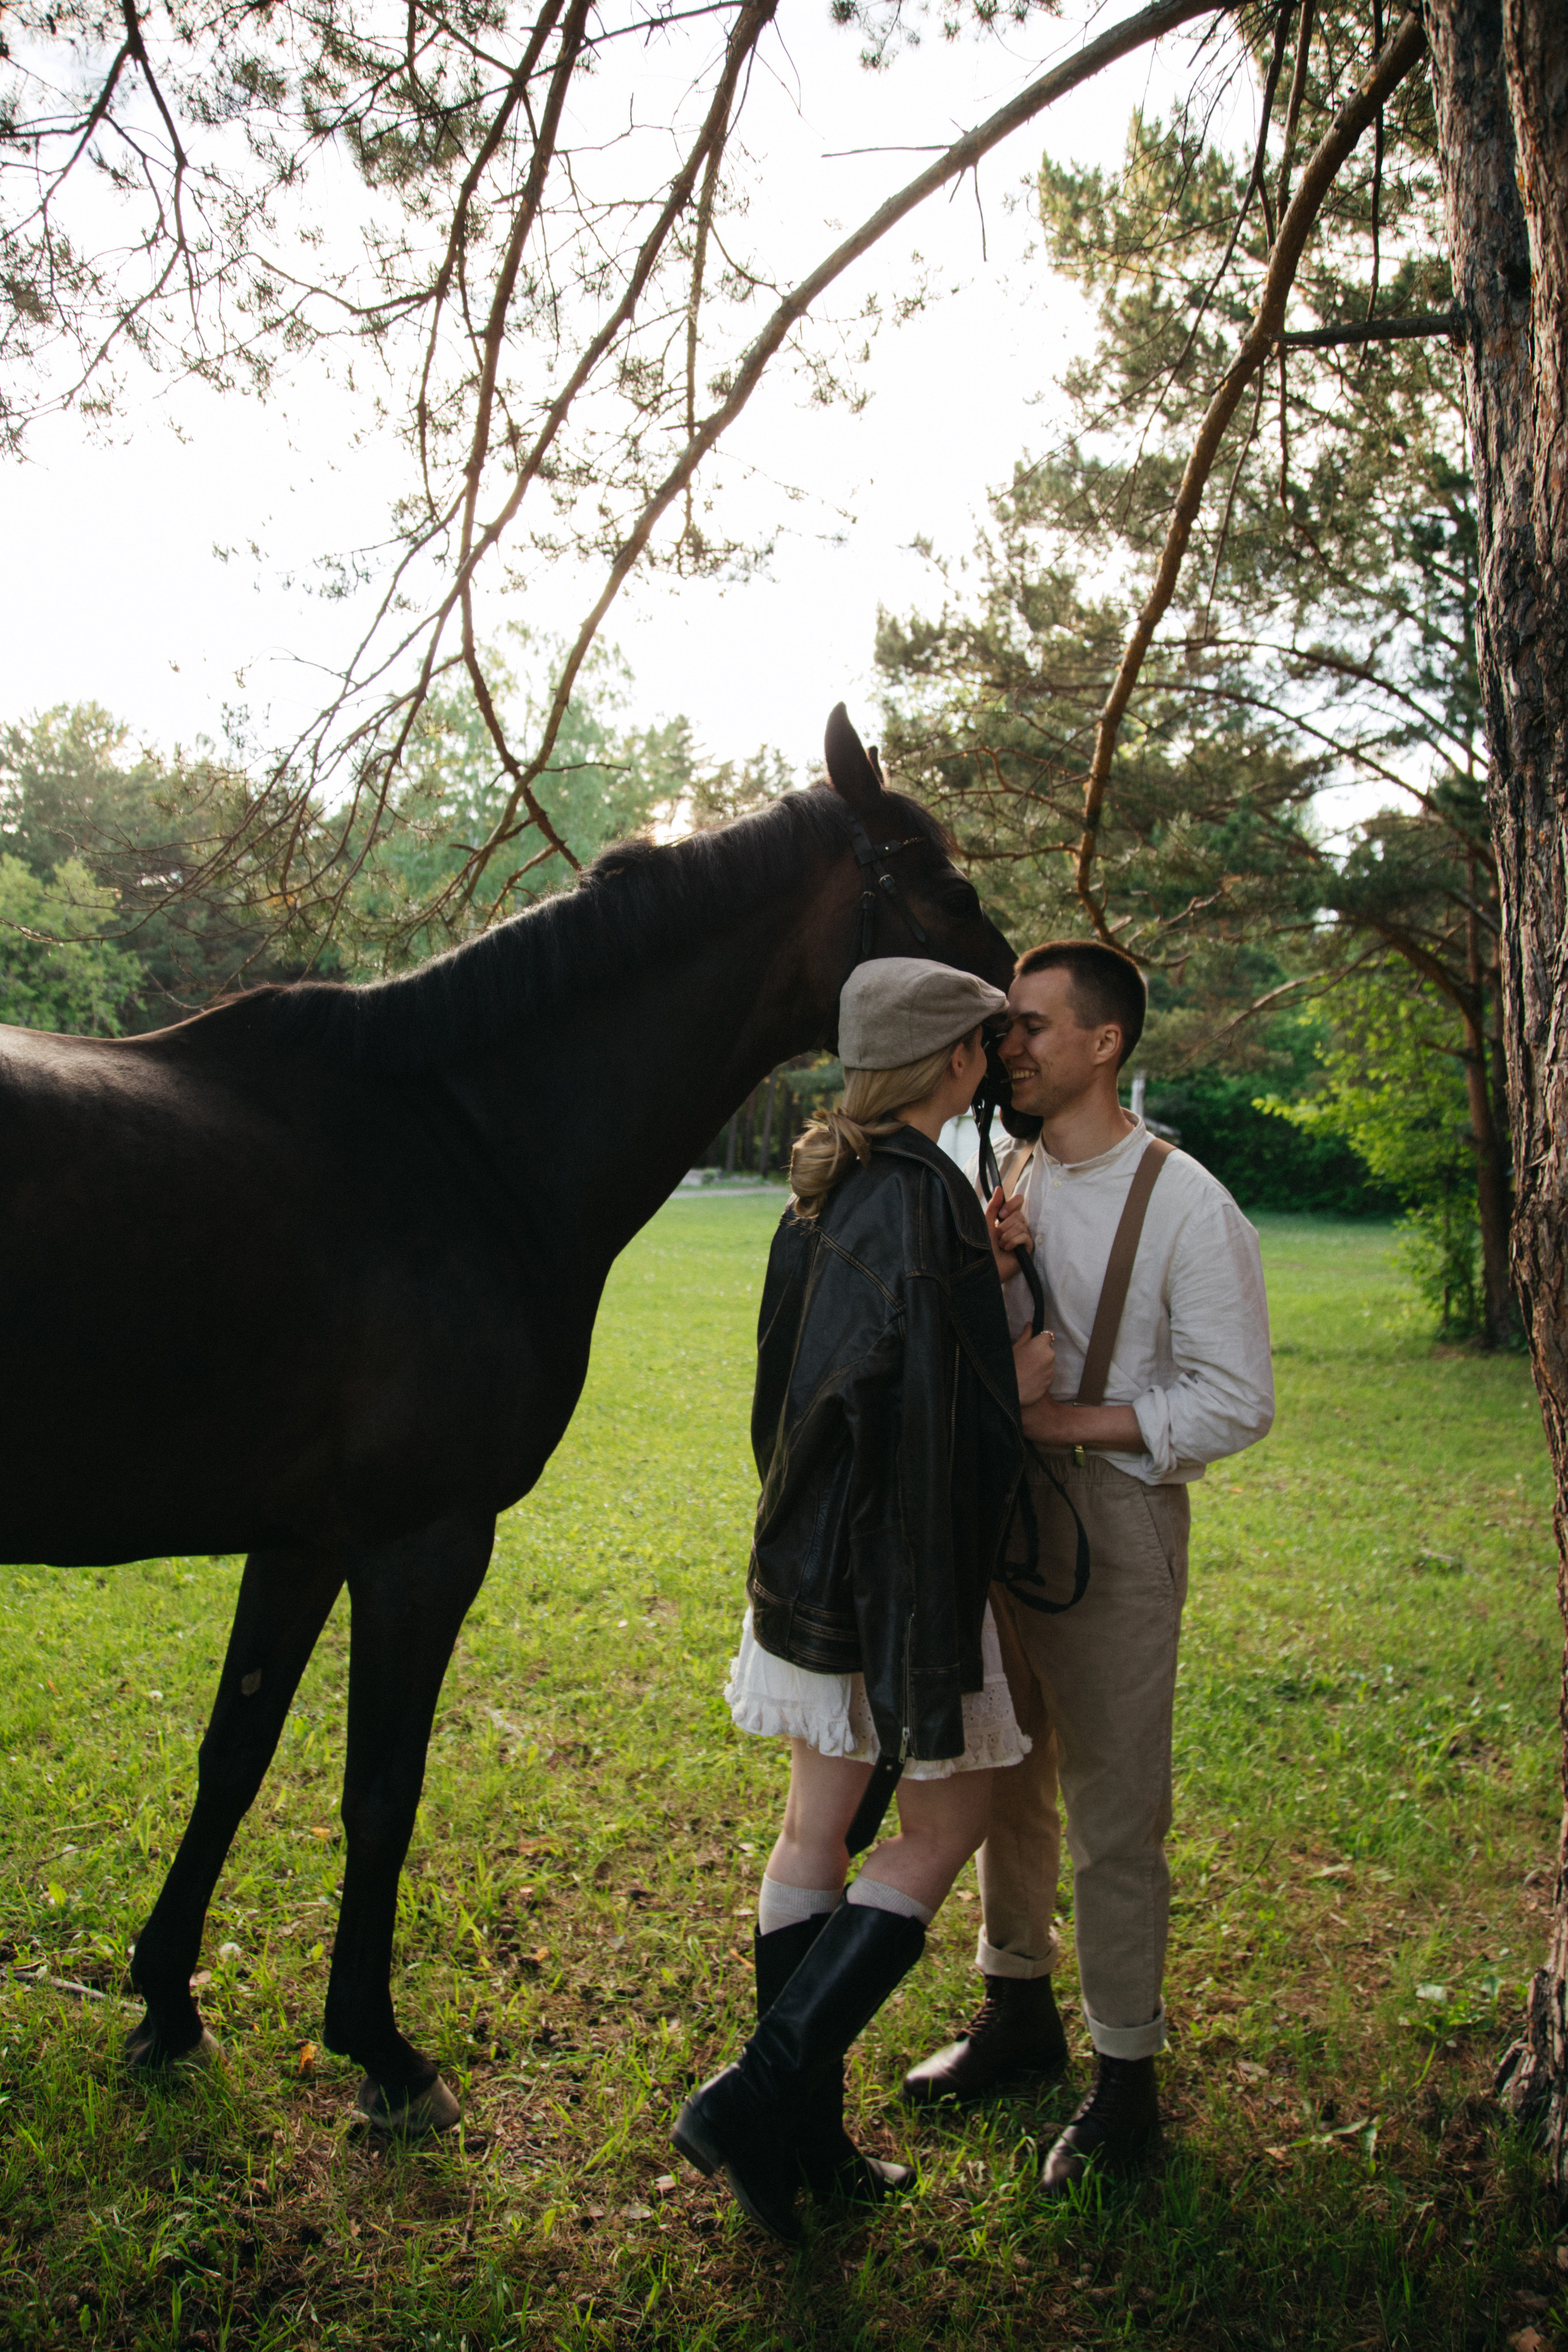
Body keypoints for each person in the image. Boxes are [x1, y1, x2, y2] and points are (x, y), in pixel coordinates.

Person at [671, 956, 1057, 2245]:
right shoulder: (926, 1195)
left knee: (813, 1832)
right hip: (897, 1571)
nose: (998, 1063)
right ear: (951, 1062)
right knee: (939, 1833)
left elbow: (814, 1382)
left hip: (807, 1556)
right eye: (986, 1046)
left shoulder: (823, 1186)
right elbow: (937, 1417)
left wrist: (982, 1280)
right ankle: (762, 2094)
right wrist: (1017, 1360)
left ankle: (800, 2145)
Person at [901, 939, 1274, 2192]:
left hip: (1117, 1527)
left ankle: (1125, 2081)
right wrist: (1001, 1274)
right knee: (1005, 1774)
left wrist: (1060, 1423)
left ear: (1102, 1044)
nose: (1007, 1048)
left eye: (1029, 1029)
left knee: (1117, 1815)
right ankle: (1016, 2010)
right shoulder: (1008, 1171)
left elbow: (1233, 1403)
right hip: (1005, 1523)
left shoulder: (1184, 1202)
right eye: (1003, 1031)